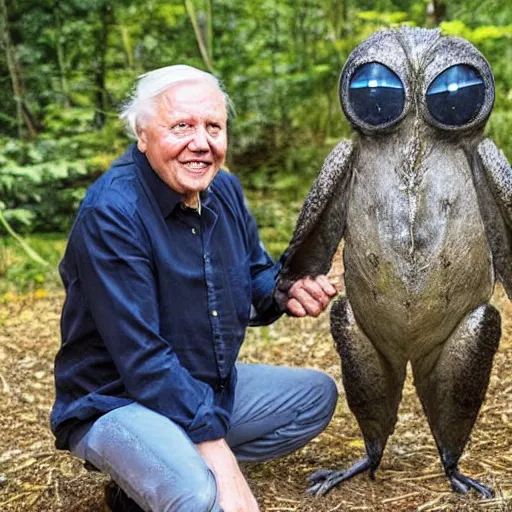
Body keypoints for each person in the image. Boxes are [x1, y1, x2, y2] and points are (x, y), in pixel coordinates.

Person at [50, 65, 338, 512]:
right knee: (201, 494)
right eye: (181, 126)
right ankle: (169, 471)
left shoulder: (223, 190)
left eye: (213, 127)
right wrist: (218, 455)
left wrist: (286, 290)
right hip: (115, 398)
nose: (201, 143)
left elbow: (256, 276)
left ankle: (148, 478)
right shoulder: (112, 212)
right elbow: (143, 360)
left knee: (314, 399)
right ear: (142, 134)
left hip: (201, 383)